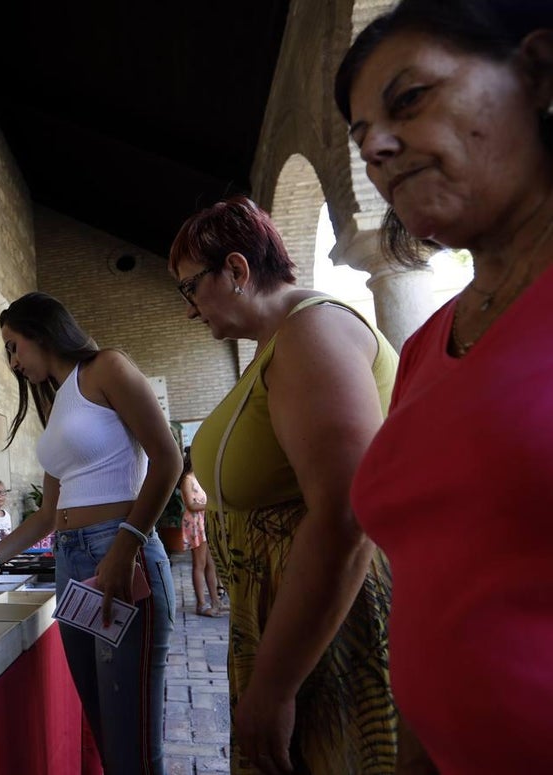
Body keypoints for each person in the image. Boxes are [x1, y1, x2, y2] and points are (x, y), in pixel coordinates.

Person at [336, 2, 553, 771]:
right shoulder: (428, 343)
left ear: (538, 73)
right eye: (362, 140)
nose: (379, 151)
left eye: (410, 100)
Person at [169, 195, 399, 774]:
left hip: (327, 632)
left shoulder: (312, 331)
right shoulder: (282, 340)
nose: (191, 310)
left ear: (238, 270)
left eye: (190, 287)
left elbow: (346, 516)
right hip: (283, 624)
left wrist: (274, 686)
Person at [0, 291, 181, 775]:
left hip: (119, 550)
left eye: (13, 346)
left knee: (131, 739)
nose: (12, 361)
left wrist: (126, 545)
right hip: (72, 563)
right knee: (106, 731)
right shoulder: (57, 404)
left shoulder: (106, 369)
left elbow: (168, 459)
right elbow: (49, 515)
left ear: (40, 332)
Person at [179, 452, 222, 618]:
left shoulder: (199, 478)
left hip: (204, 522)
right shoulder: (187, 480)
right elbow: (191, 505)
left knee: (210, 564)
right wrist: (211, 504)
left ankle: (215, 601)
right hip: (195, 524)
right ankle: (201, 604)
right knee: (199, 564)